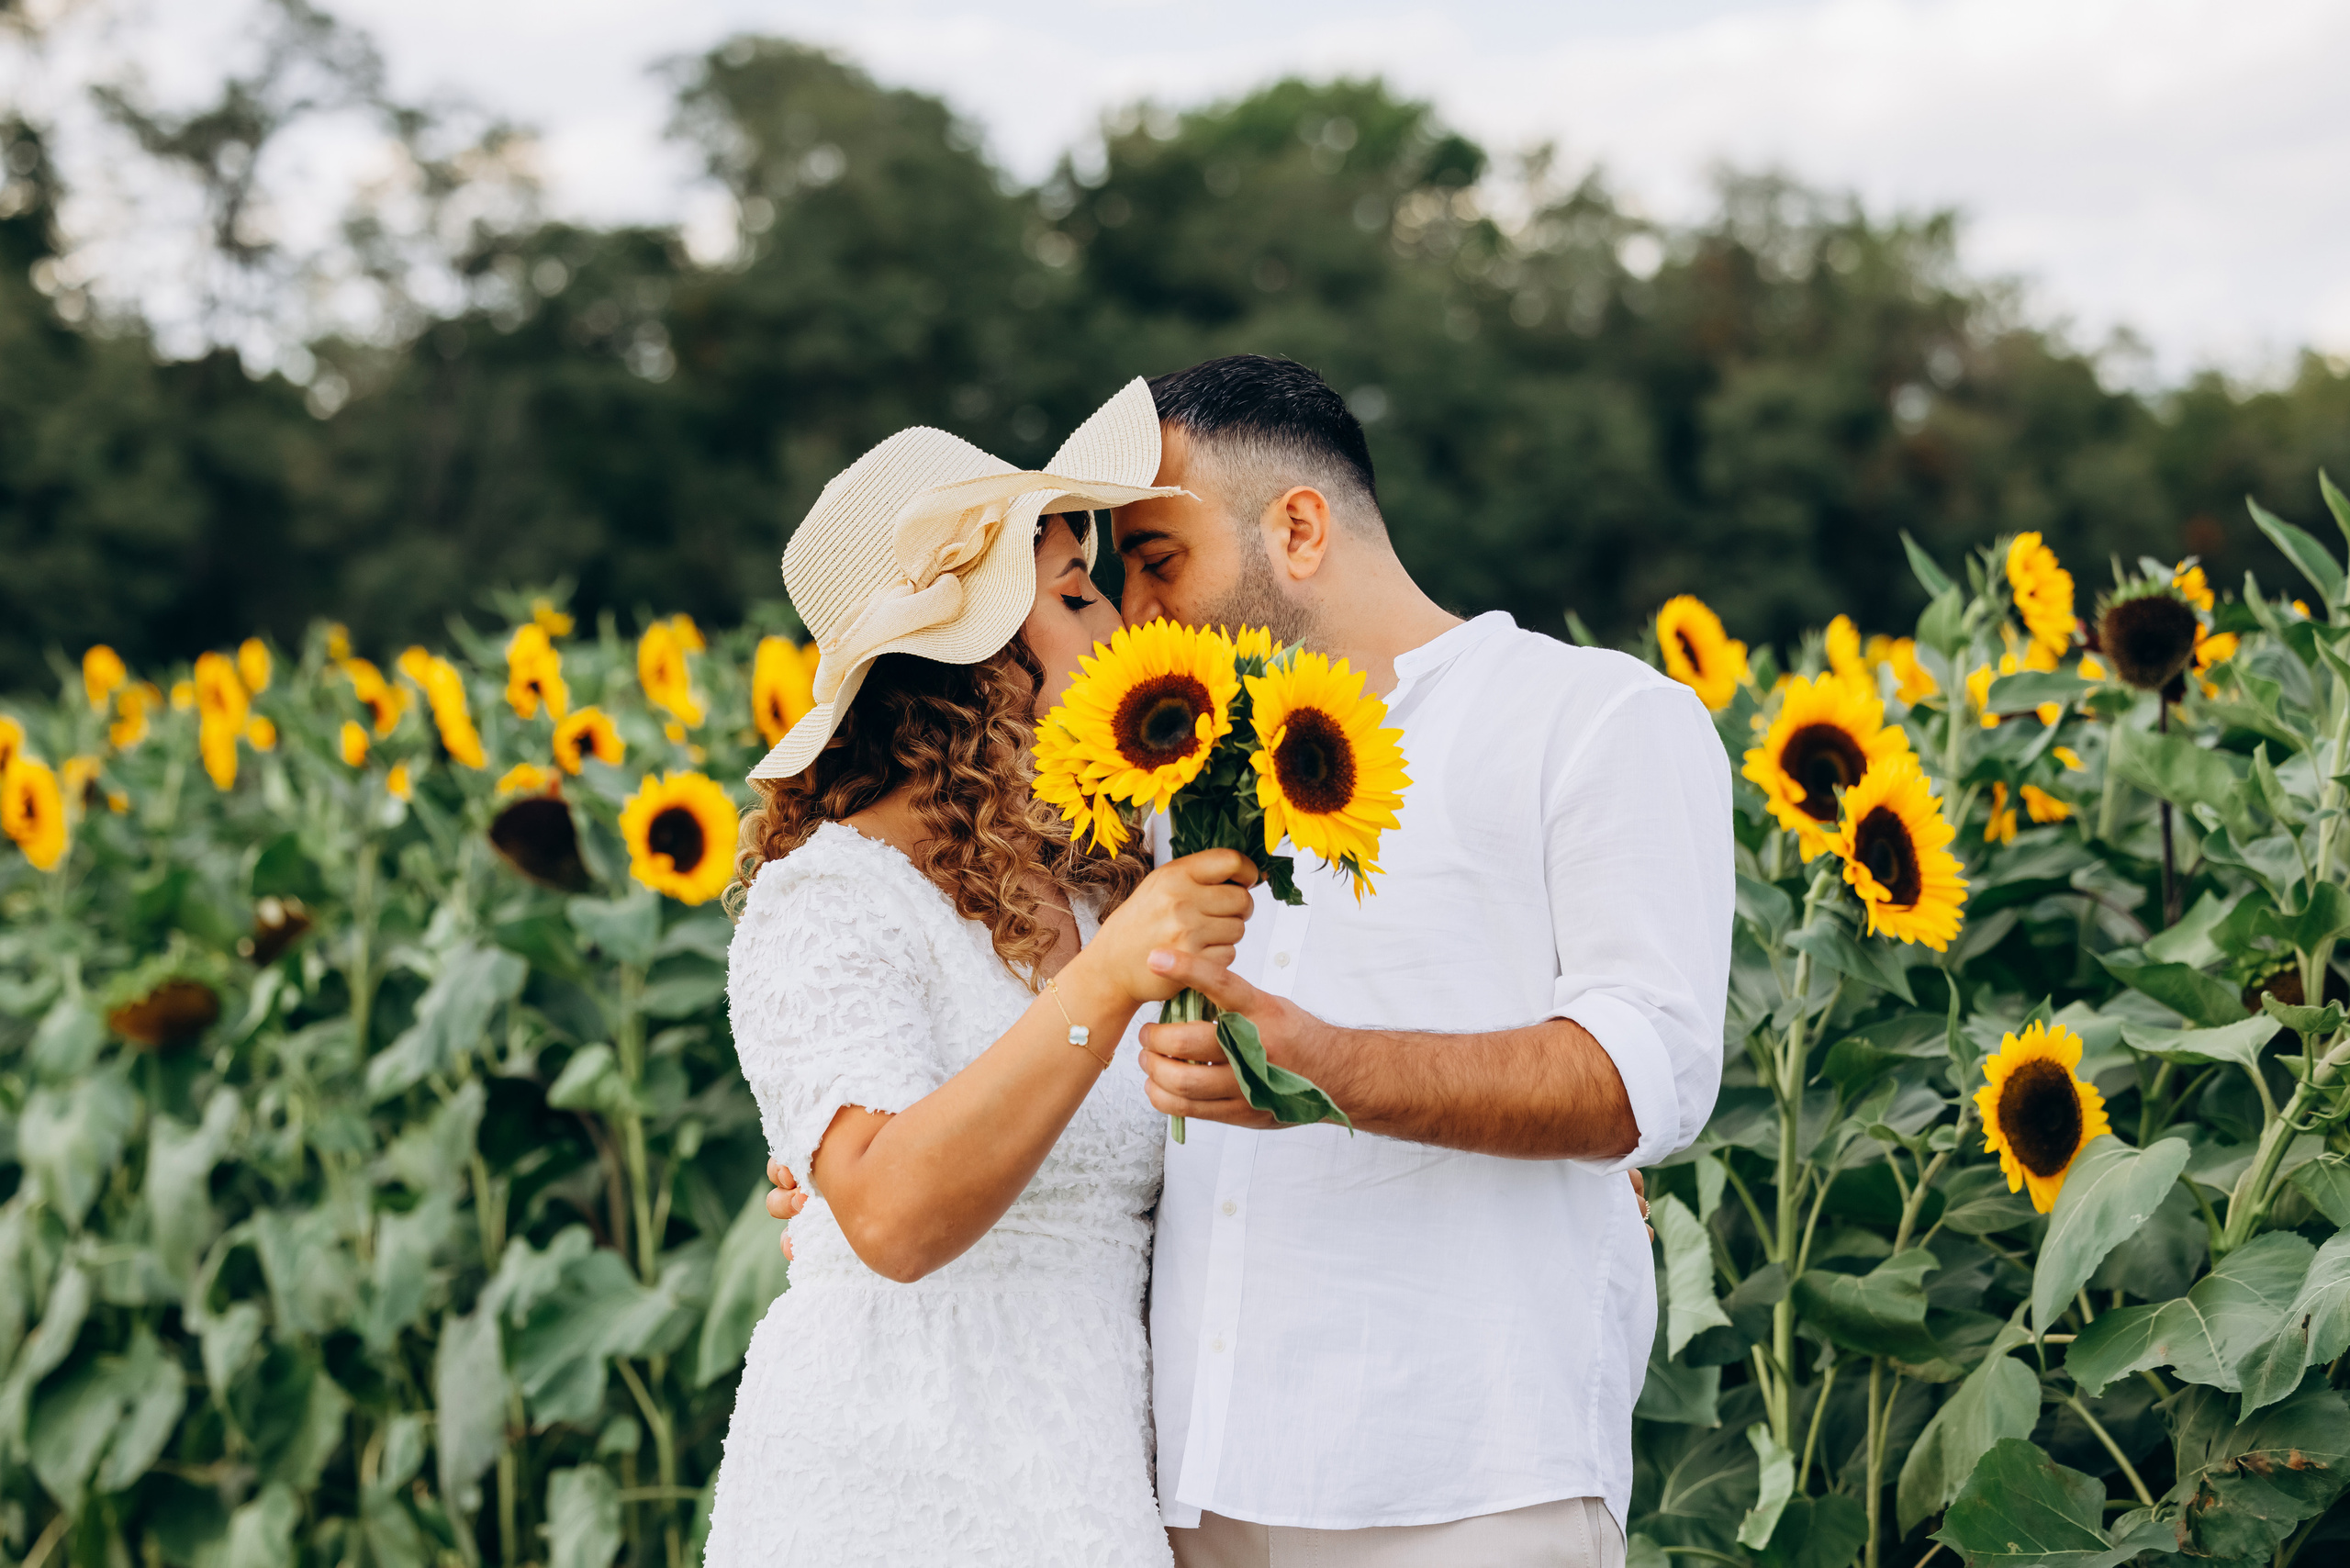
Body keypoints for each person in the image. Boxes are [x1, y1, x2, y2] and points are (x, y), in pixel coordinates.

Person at [757, 356, 1716, 1568]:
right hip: (1177, 1488)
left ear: (1299, 530)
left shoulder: (1588, 722)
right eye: (1103, 583)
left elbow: (1647, 1077)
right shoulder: (1154, 795)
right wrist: (838, 1178)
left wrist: (1334, 1072)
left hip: (1462, 1471)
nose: (1137, 618)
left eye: (1159, 563)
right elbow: (949, 1049)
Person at [703, 380, 1260, 1568]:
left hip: (1087, 1477)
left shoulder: (1106, 879)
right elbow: (894, 1219)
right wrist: (1105, 985)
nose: (1118, 625)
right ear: (972, 661)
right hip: (890, 1489)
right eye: (1074, 596)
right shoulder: (831, 898)